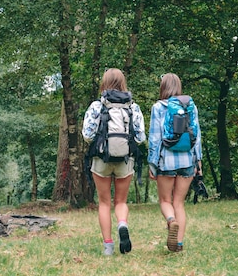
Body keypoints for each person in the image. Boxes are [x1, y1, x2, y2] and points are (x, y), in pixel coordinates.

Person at [82, 68, 146, 256]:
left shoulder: (97, 106)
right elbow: (141, 138)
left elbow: (87, 135)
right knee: (121, 201)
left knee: (104, 202)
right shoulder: (132, 107)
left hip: (101, 158)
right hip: (125, 159)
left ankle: (108, 246)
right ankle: (122, 224)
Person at [148, 73, 202, 252]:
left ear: (163, 87)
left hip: (166, 161)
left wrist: (152, 164)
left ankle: (171, 221)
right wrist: (198, 162)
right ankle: (178, 245)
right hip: (187, 159)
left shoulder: (158, 107)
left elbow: (155, 138)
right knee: (179, 202)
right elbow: (197, 137)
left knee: (165, 200)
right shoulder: (191, 107)